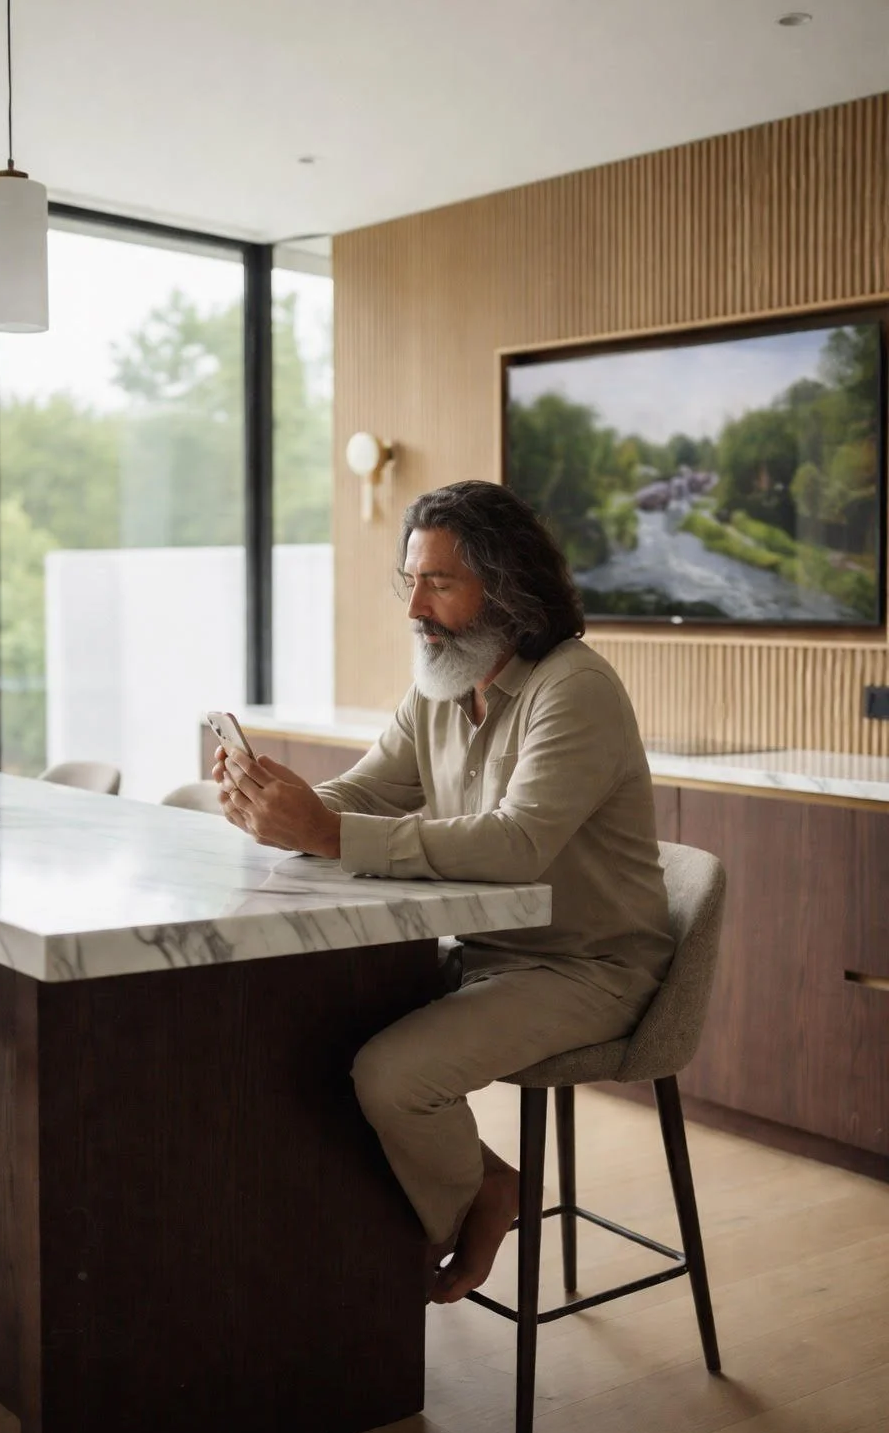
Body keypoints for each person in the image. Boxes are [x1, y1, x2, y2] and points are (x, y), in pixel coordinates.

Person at [214, 480, 674, 1304]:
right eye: (411, 580)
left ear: (506, 586)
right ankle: (481, 1184)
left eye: (439, 582)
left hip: (587, 968)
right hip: (484, 952)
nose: (413, 607)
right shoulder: (438, 681)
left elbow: (517, 842)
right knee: (297, 1025)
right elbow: (363, 796)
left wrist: (325, 832)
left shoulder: (575, 689)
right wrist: (284, 807)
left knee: (393, 1077)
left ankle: (456, 1214)